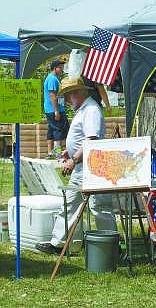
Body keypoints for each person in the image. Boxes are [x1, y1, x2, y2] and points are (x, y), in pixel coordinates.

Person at [36, 77, 117, 255]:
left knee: (99, 206)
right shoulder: (84, 109)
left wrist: (74, 159)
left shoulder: (92, 110)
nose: (67, 100)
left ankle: (111, 243)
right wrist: (68, 152)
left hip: (92, 166)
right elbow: (82, 139)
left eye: (68, 95)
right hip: (84, 165)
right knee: (71, 203)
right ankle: (59, 243)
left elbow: (91, 139)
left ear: (77, 93)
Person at [43, 58, 69, 157]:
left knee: (52, 129)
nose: (62, 69)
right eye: (60, 67)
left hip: (51, 109)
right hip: (54, 109)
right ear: (55, 68)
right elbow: (52, 95)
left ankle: (50, 152)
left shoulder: (53, 78)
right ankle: (58, 152)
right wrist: (56, 111)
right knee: (59, 130)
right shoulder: (52, 79)